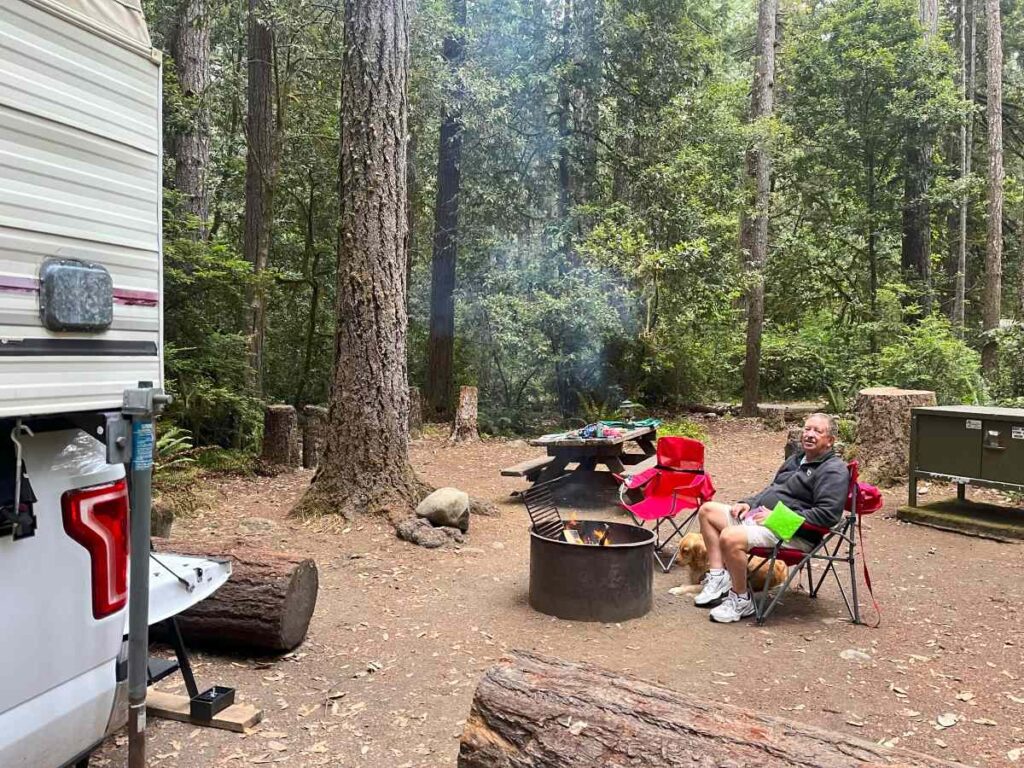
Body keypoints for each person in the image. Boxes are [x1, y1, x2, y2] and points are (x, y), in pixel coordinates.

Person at [694, 413, 849, 623]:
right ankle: (718, 576)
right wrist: (748, 502)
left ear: (830, 440)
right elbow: (773, 490)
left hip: (794, 533)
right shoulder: (796, 459)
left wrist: (777, 518)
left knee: (730, 537)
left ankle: (741, 599)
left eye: (817, 431)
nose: (809, 435)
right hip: (762, 519)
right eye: (807, 429)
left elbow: (827, 515)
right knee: (708, 510)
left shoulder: (833, 470)